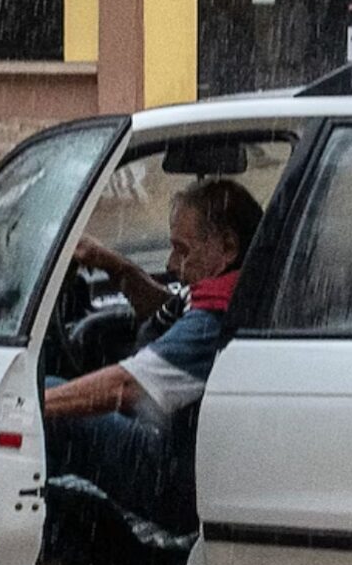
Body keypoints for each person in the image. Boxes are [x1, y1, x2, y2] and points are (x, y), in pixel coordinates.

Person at [40, 177, 263, 531]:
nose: (173, 263)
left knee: (47, 413)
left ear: (227, 248)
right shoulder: (224, 291)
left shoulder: (217, 319)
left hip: (170, 477)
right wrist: (117, 267)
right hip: (179, 456)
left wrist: (31, 406)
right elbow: (166, 312)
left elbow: (126, 387)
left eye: (182, 249)